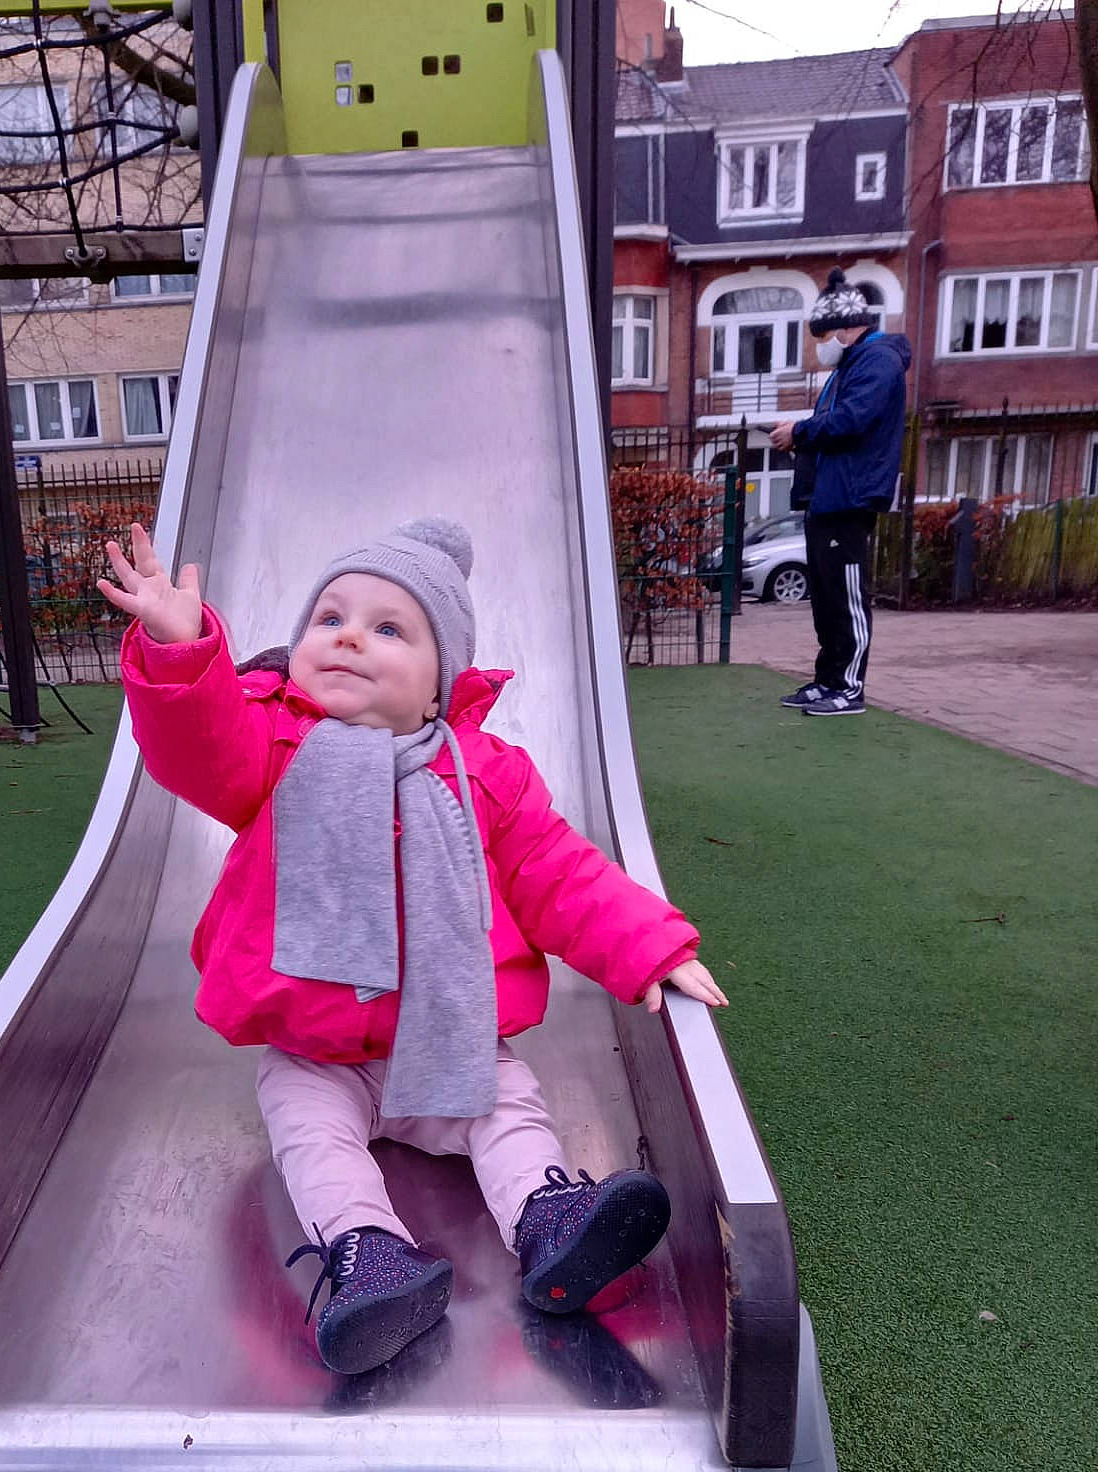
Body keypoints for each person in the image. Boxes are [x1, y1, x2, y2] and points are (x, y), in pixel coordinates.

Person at [100, 516, 727, 1374]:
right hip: (317, 1052)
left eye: (389, 629)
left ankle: (549, 1218)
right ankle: (369, 1254)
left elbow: (559, 872)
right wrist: (180, 652)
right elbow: (196, 748)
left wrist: (650, 946)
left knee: (507, 1105)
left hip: (450, 1042)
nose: (349, 636)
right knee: (308, 1132)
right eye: (329, 618)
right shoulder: (273, 748)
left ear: (440, 687)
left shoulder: (486, 775)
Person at [769, 268, 912, 717]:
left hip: (850, 497)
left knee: (846, 595)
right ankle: (828, 679)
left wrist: (800, 432)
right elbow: (839, 421)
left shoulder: (877, 362)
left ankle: (848, 687)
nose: (820, 346)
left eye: (822, 335)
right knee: (827, 595)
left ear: (845, 328)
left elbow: (852, 420)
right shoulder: (852, 366)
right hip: (829, 497)